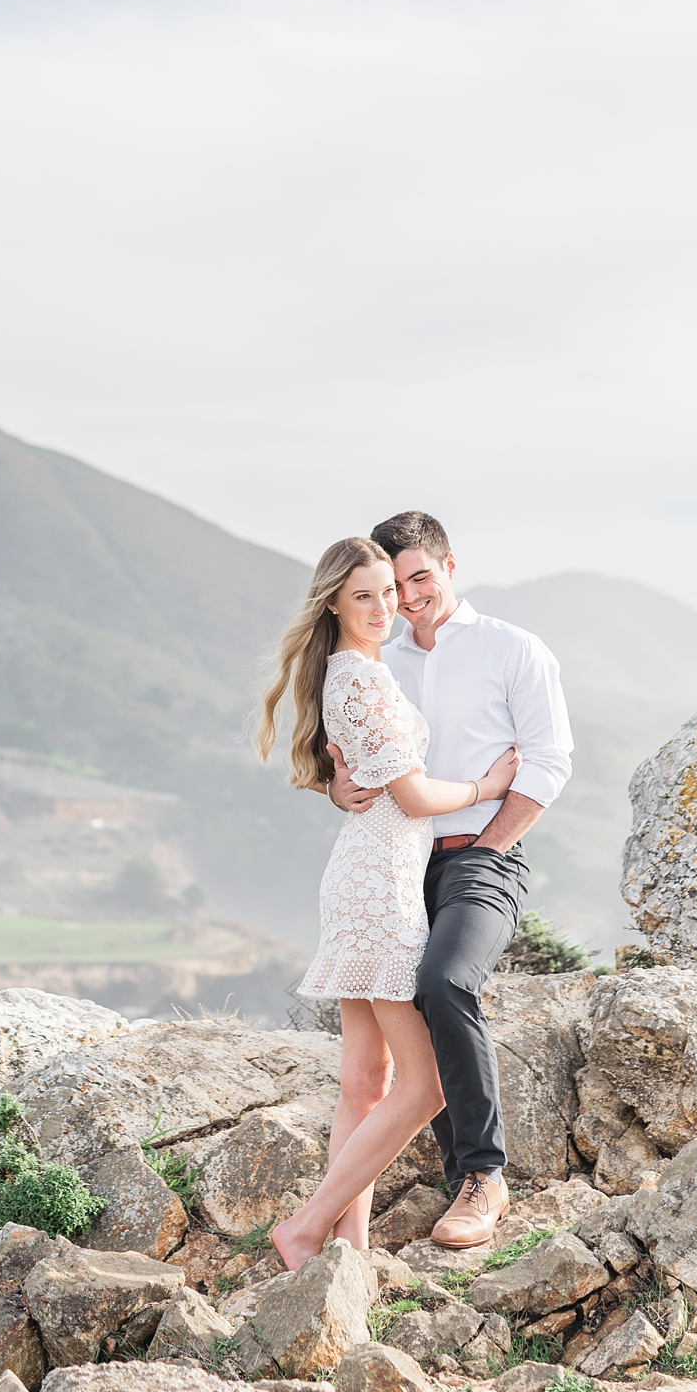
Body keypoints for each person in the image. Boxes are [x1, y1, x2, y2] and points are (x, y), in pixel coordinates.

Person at [254, 535, 522, 1272]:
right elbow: (410, 795)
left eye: (389, 592)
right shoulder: (362, 680)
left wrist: (338, 786)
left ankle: (352, 1250)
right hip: (379, 887)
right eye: (363, 594)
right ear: (335, 601)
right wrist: (485, 788)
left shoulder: (359, 672)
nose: (382, 607)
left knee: (365, 1083)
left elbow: (356, 775)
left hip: (368, 875)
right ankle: (307, 1227)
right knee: (427, 1085)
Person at [328, 510, 571, 1249]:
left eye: (420, 577)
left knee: (443, 980)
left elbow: (548, 762)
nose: (408, 595)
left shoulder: (513, 648)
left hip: (483, 852)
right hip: (395, 863)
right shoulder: (378, 658)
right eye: (393, 585)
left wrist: (491, 848)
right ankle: (357, 1226)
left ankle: (482, 1175)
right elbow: (340, 747)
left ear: (450, 565)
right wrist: (332, 786)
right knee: (387, 1033)